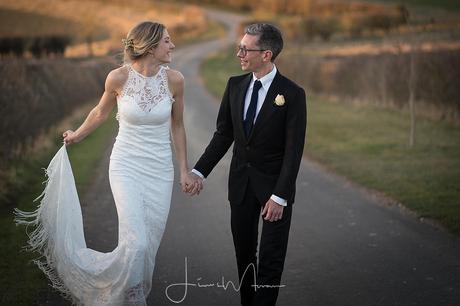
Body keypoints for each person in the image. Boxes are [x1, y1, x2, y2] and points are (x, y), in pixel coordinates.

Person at [15, 21, 196, 305]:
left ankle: (130, 288)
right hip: (125, 165)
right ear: (149, 47)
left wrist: (184, 169)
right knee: (135, 242)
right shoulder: (117, 78)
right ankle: (133, 298)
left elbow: (178, 127)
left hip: (161, 170)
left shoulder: (175, 80)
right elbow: (100, 112)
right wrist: (77, 134)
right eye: (167, 41)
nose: (172, 46)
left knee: (147, 243)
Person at [189, 23, 307, 306]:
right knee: (244, 256)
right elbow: (224, 135)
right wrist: (198, 170)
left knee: (270, 258)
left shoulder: (292, 94)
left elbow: (294, 152)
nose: (239, 53)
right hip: (241, 186)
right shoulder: (235, 86)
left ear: (266, 54)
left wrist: (279, 196)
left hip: (275, 191)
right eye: (239, 47)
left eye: (245, 48)